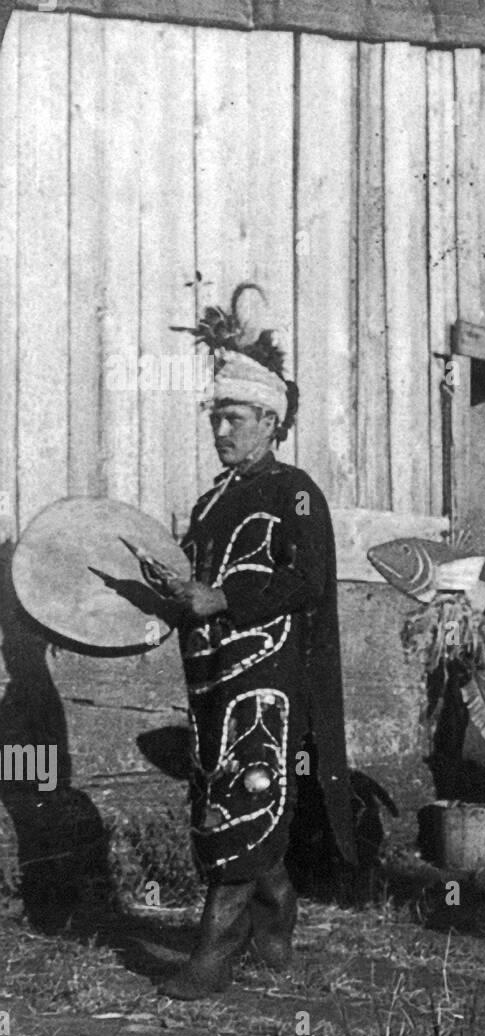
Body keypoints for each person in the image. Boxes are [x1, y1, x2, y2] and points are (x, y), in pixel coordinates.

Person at [156, 287, 355, 999]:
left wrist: (226, 599)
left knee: (248, 792)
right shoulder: (210, 502)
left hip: (268, 673)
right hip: (211, 672)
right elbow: (189, 580)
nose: (221, 430)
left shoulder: (293, 492)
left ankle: (214, 951)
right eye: (216, 417)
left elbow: (309, 580)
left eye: (234, 418)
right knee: (228, 795)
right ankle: (276, 918)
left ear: (270, 420)